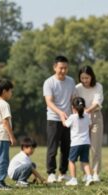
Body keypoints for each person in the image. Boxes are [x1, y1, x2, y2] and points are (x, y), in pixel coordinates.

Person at [43, 55, 76, 183]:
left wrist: (75, 115)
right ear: (55, 67)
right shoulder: (49, 82)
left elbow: (72, 99)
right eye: (61, 68)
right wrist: (60, 113)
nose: (63, 71)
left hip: (68, 119)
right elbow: (49, 102)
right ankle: (51, 173)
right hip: (53, 118)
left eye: (66, 68)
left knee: (66, 147)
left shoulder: (71, 81)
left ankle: (63, 172)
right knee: (53, 147)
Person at [75, 66, 104, 182]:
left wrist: (86, 111)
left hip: (95, 117)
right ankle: (86, 173)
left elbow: (97, 103)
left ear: (91, 76)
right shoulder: (77, 88)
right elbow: (76, 102)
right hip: (82, 118)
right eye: (82, 78)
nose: (85, 80)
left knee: (95, 147)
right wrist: (81, 113)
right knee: (83, 147)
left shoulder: (98, 86)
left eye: (87, 78)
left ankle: (96, 173)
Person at [63, 97, 94, 186]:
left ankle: (73, 179)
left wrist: (62, 117)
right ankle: (89, 177)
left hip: (76, 143)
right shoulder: (87, 115)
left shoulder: (72, 117)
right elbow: (90, 125)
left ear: (73, 107)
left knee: (71, 161)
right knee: (85, 161)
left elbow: (65, 124)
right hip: (86, 142)